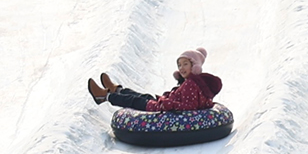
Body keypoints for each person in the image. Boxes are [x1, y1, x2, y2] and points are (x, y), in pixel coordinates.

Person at [87, 48, 223, 112]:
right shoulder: (191, 82)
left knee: (135, 101)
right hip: (162, 103)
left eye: (185, 64)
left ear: (194, 66)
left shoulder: (191, 84)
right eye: (179, 65)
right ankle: (117, 90)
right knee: (144, 96)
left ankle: (105, 96)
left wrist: (168, 103)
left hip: (162, 108)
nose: (181, 68)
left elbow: (189, 106)